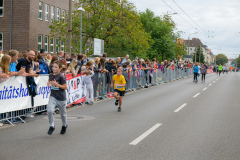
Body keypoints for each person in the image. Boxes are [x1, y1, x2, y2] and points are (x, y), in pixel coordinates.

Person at [47, 60, 68, 135]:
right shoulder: (51, 75)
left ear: (59, 68)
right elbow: (49, 79)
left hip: (61, 98)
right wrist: (48, 83)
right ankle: (52, 125)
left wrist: (56, 84)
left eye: (56, 67)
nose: (54, 68)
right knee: (49, 110)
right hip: (53, 96)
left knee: (63, 114)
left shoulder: (62, 76)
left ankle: (64, 125)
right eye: (53, 66)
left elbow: (65, 87)